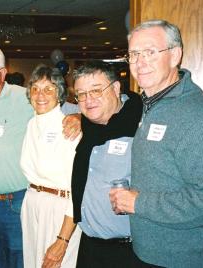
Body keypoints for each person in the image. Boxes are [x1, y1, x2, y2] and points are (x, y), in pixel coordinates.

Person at [110, 19, 203, 267]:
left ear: (175, 55)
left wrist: (138, 202)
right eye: (134, 54)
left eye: (150, 52)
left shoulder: (199, 116)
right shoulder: (153, 104)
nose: (140, 62)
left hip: (183, 260)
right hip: (150, 254)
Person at [0, 45, 81, 268]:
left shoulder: (24, 98)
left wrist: (79, 116)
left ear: (3, 72)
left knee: (25, 262)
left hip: (17, 203)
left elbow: (76, 108)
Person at [70, 61, 143, 267]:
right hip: (90, 247)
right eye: (81, 94)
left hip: (128, 252)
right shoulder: (89, 127)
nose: (88, 100)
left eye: (95, 90)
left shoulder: (140, 125)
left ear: (117, 88)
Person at [20, 64, 81, 268]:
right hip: (33, 204)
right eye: (35, 88)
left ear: (60, 93)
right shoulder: (31, 124)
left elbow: (77, 189)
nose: (40, 95)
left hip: (61, 211)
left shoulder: (69, 127)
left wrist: (63, 239)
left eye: (49, 88)